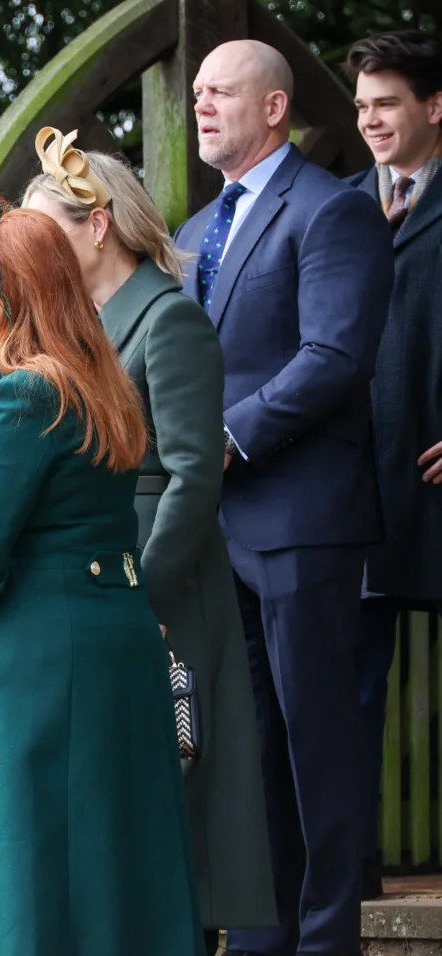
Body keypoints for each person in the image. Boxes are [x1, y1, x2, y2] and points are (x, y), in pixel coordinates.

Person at [0, 199, 206, 956]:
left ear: (9, 297)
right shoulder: (101, 381)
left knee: (53, 902)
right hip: (114, 649)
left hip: (45, 660)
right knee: (104, 906)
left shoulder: (22, 399)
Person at [24, 128, 275, 956]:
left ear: (97, 227)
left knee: (173, 803)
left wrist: (145, 598)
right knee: (115, 821)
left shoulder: (167, 318)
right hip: (98, 583)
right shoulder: (81, 328)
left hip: (162, 585)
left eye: (46, 227)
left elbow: (197, 473)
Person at [176, 40, 394, 956]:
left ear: (274, 107)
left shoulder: (334, 211)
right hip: (217, 524)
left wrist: (228, 437)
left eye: (219, 91)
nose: (201, 105)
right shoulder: (192, 228)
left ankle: (329, 939)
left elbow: (335, 355)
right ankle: (263, 930)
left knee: (317, 730)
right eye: (194, 94)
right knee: (247, 733)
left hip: (305, 513)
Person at [343, 28, 442, 901]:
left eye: (388, 103)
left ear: (435, 106)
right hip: (357, 484)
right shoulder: (341, 206)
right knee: (349, 691)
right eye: (363, 105)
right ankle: (354, 870)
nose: (370, 120)